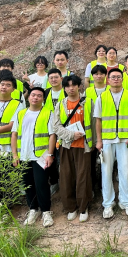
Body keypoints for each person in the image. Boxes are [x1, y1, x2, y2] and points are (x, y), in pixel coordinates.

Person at [95, 69, 128, 219]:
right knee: (106, 172)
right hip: (107, 140)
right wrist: (99, 140)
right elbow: (98, 120)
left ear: (122, 79)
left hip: (125, 139)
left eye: (118, 77)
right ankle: (108, 203)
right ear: (108, 80)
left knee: (125, 171)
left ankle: (126, 202)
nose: (115, 79)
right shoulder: (102, 97)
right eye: (113, 77)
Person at [53, 75, 97, 223]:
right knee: (66, 176)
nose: (71, 88)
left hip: (84, 146)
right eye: (67, 86)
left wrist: (95, 143)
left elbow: (95, 123)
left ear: (79, 86)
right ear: (64, 88)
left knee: (83, 177)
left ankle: (83, 207)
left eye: (73, 85)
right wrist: (71, 135)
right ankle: (71, 207)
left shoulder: (88, 102)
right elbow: (56, 126)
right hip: (66, 145)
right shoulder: (60, 104)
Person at [10, 87, 56, 228]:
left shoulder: (48, 113)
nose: (35, 98)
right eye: (33, 95)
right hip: (24, 155)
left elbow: (52, 135)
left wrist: (50, 154)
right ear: (28, 97)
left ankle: (46, 211)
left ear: (43, 99)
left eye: (39, 96)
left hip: (41, 156)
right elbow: (14, 134)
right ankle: (33, 210)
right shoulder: (20, 113)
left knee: (41, 183)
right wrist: (15, 155)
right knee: (28, 184)